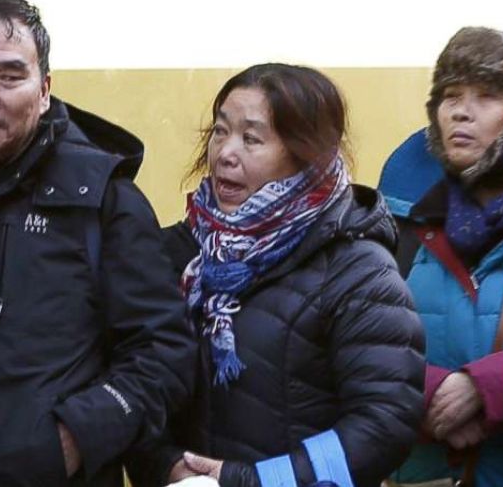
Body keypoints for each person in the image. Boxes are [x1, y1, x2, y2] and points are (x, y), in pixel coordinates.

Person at [0, 0, 196, 486]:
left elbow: (164, 353)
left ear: (45, 88)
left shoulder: (101, 198)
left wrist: (74, 439)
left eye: (10, 76)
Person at [128, 63, 426, 487]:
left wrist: (253, 481)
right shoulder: (178, 254)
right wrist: (164, 465)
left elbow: (386, 423)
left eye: (251, 138)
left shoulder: (358, 271)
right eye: (219, 131)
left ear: (307, 154)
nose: (226, 153)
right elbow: (131, 379)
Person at [380, 27, 503, 487]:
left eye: (487, 96)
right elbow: (351, 335)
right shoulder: (400, 211)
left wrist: (483, 387)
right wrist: (430, 392)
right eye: (450, 95)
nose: (460, 112)